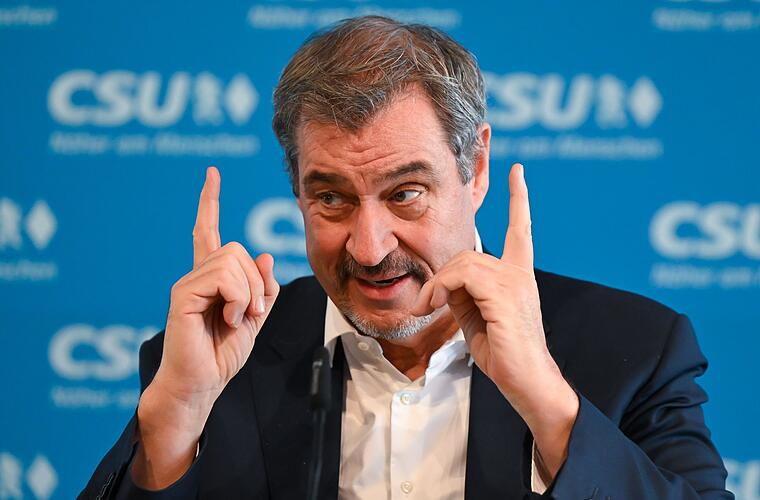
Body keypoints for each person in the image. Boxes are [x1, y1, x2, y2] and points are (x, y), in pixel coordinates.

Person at [80, 16, 731, 499]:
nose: (369, 248)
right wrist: (175, 419)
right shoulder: (213, 359)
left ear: (475, 168)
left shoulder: (637, 350)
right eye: (331, 198)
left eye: (405, 194)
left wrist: (548, 403)